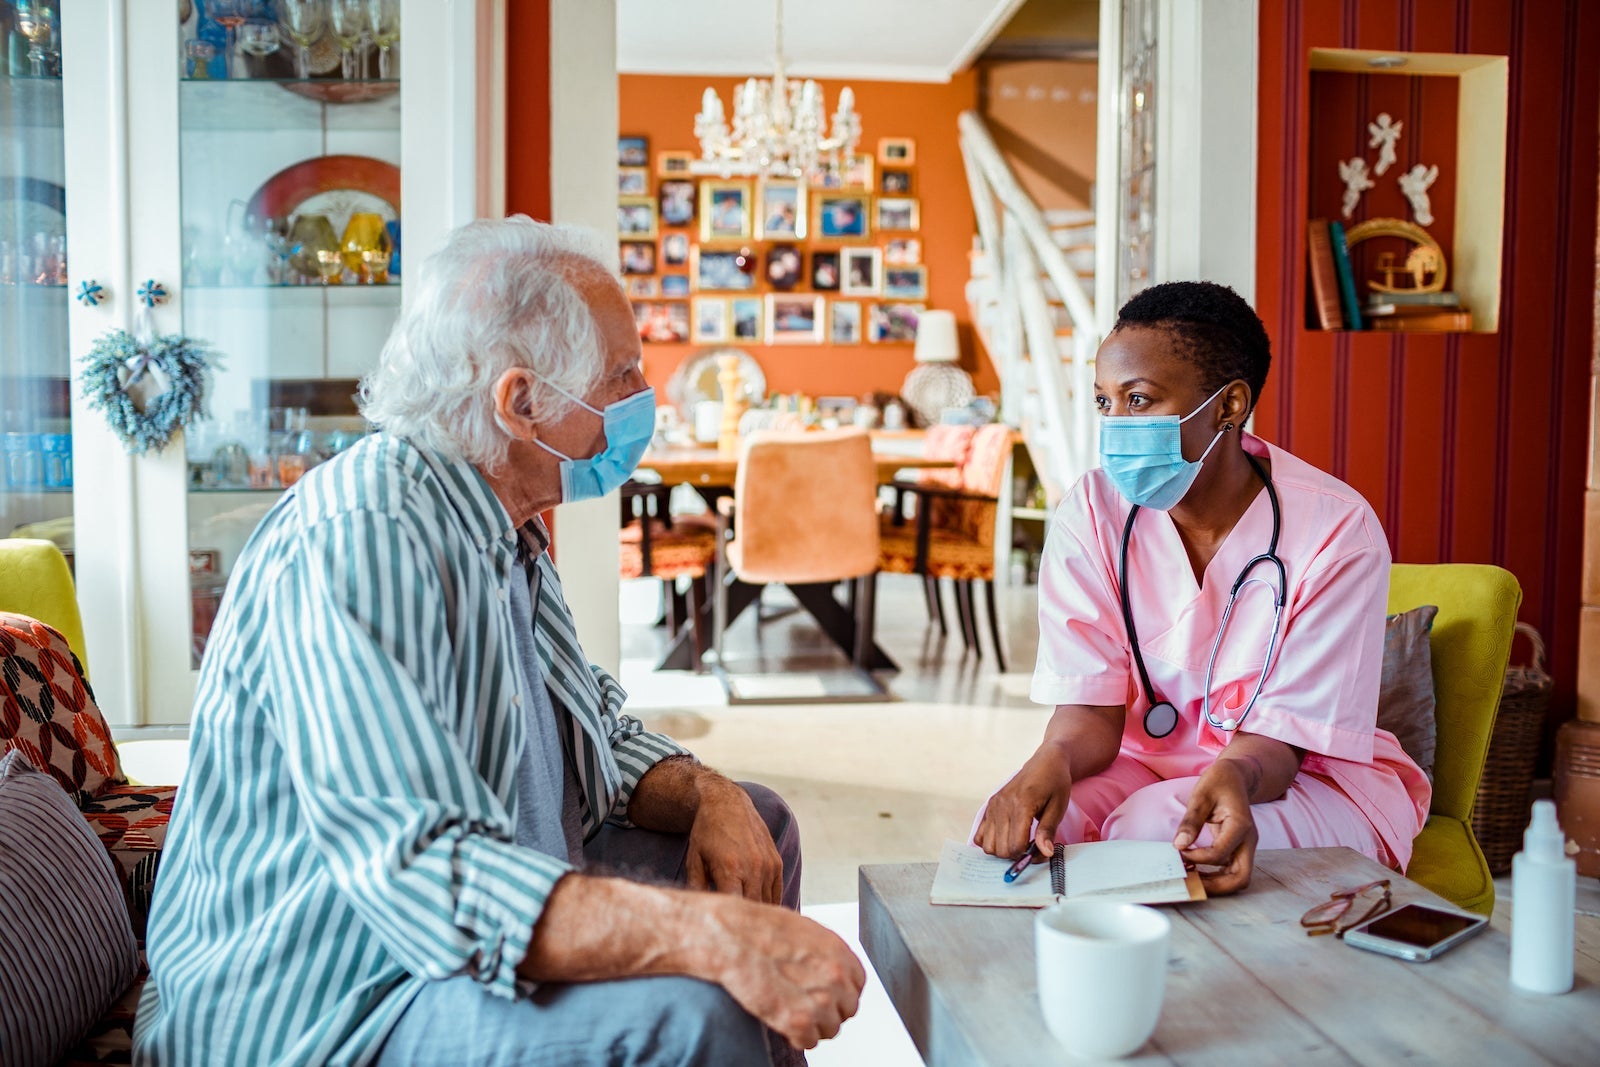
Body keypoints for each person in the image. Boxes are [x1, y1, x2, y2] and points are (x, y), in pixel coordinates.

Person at [133, 218, 863, 1066]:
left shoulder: (506, 528)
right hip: (337, 998)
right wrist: (707, 935)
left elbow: (595, 737)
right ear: (521, 403)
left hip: (449, 932)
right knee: (698, 1008)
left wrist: (712, 794)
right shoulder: (367, 535)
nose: (643, 395)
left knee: (758, 826)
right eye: (621, 373)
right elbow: (423, 872)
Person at [973, 281, 1430, 896]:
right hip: (1143, 764)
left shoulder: (1337, 530)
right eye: (1105, 402)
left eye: (1139, 400)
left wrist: (1234, 774)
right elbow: (1091, 711)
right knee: (1015, 828)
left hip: (1300, 777)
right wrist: (1051, 757)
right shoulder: (1093, 511)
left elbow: (1281, 745)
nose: (1115, 426)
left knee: (1155, 833)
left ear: (1229, 405)